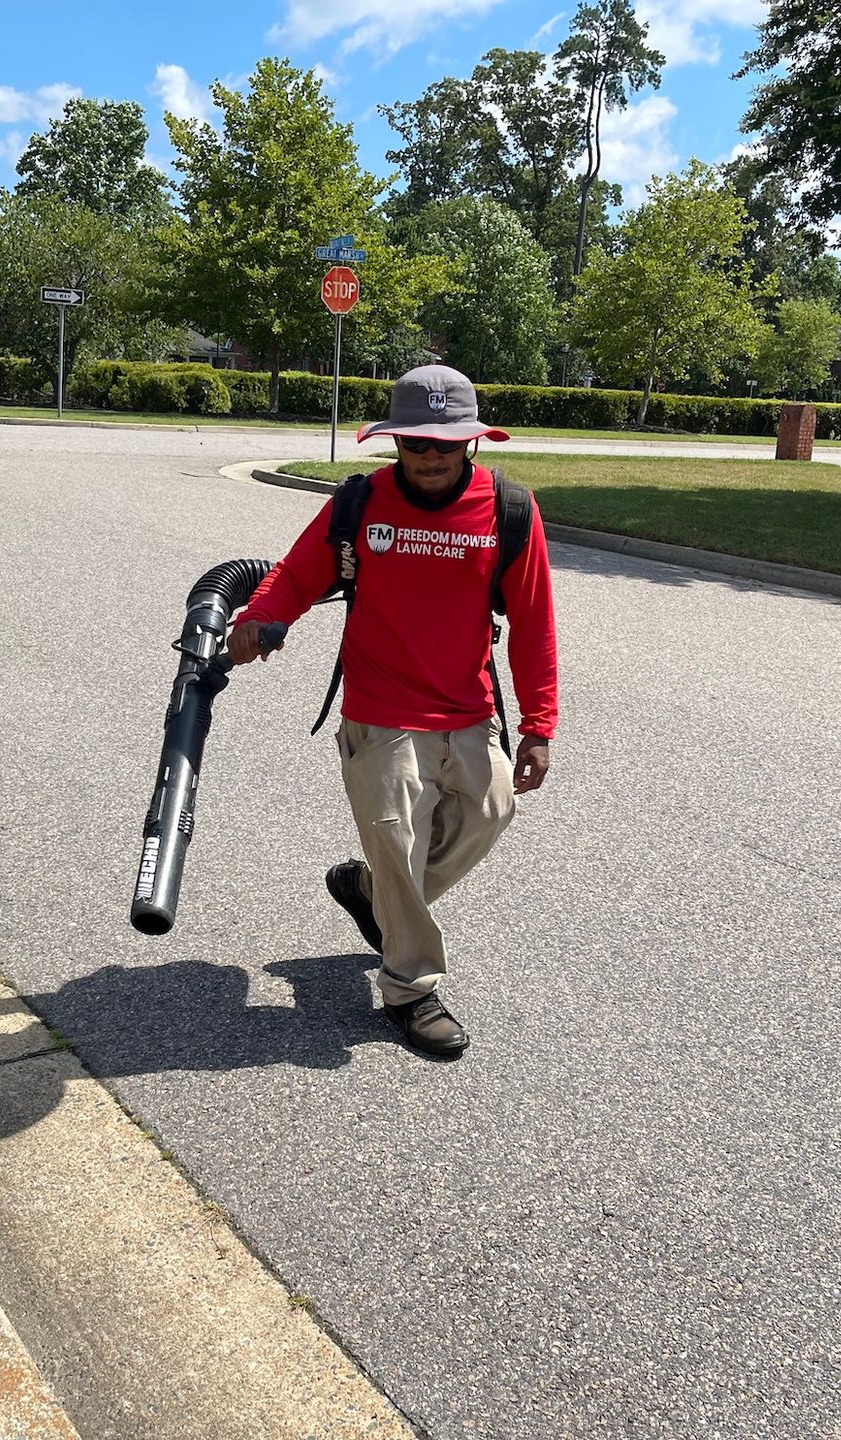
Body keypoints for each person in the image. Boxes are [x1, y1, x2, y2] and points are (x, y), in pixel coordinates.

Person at [227, 365, 559, 1056]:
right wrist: (260, 622)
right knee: (394, 831)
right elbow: (296, 574)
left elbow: (533, 625)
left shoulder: (509, 510)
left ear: (472, 443)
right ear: (396, 442)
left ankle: (374, 893)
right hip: (380, 710)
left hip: (468, 707)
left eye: (446, 442)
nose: (430, 455)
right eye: (416, 441)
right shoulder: (359, 504)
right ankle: (409, 987)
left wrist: (538, 728)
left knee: (493, 810)